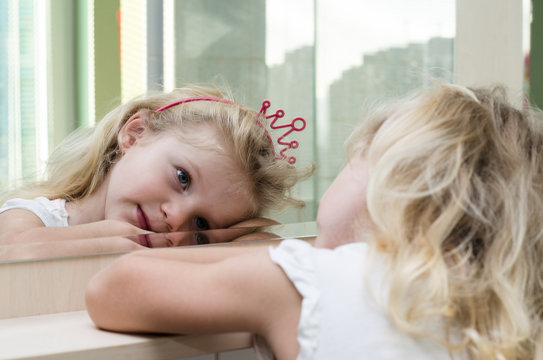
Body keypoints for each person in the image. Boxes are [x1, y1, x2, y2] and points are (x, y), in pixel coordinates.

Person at [85, 83, 543, 359]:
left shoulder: (312, 282)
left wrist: (277, 255)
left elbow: (113, 289)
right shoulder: (496, 309)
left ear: (399, 189)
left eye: (359, 155)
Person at [0, 85, 311, 257]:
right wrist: (115, 236)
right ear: (134, 134)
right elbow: (12, 250)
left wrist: (239, 233)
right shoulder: (33, 217)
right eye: (182, 178)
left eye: (201, 223)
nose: (176, 220)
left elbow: (270, 245)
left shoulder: (166, 258)